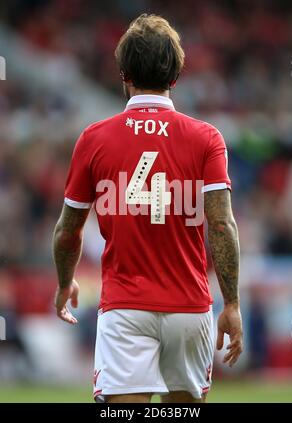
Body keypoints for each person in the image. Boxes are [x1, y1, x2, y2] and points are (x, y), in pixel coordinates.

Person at [53, 13, 243, 403]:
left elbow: (68, 230)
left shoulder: (94, 138)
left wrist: (64, 282)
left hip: (125, 307)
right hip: (190, 308)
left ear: (124, 74)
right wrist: (233, 303)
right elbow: (221, 225)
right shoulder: (207, 138)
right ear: (175, 77)